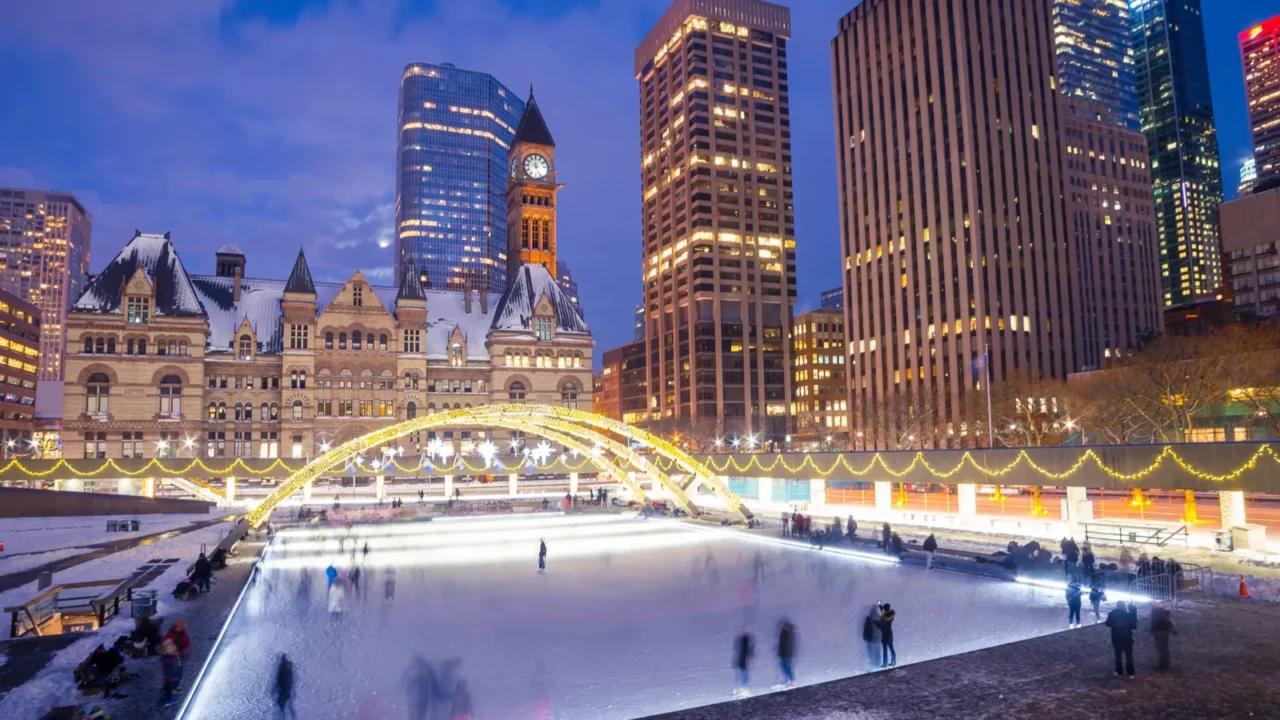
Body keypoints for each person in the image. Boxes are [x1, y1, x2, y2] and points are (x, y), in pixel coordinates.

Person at [1106, 601, 1136, 678]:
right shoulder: (1128, 615)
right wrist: (1133, 612)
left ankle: (1119, 672)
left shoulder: (1112, 613)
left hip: (1116, 637)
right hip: (1127, 637)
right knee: (1129, 655)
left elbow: (1107, 624)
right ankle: (1131, 672)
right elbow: (1134, 626)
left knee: (1118, 655)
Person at [1150, 601, 1178, 671]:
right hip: (1164, 633)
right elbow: (1169, 622)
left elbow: (1154, 624)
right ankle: (1164, 664)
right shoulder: (1164, 612)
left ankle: (1163, 665)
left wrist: (1152, 634)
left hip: (1158, 633)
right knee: (1164, 649)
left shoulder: (1155, 613)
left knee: (1161, 649)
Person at [160, 638, 182, 707]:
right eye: (169, 648)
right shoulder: (167, 658)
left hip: (171, 675)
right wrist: (177, 659)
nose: (172, 649)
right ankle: (169, 700)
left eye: (172, 646)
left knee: (169, 684)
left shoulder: (171, 656)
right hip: (170, 676)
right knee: (169, 687)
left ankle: (168, 690)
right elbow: (175, 664)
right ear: (165, 650)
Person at [732, 629, 754, 697]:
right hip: (743, 663)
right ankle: (743, 690)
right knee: (744, 677)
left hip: (741, 663)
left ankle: (742, 689)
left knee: (743, 676)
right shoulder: (745, 645)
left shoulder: (741, 644)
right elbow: (749, 653)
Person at [776, 619, 797, 688]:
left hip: (787, 654)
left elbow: (789, 645)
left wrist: (788, 654)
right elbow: (781, 644)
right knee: (784, 667)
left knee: (788, 667)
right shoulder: (783, 633)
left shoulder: (788, 634)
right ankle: (788, 680)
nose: (783, 627)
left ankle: (792, 681)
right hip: (784, 654)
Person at [275, 653, 296, 718]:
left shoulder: (282, 666)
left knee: (283, 700)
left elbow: (280, 676)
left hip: (283, 685)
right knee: (284, 699)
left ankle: (282, 713)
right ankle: (283, 713)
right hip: (284, 685)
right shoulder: (284, 667)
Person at [875, 603, 897, 668]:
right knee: (892, 649)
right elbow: (884, 613)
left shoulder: (883, 619)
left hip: (884, 636)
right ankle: (893, 662)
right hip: (890, 635)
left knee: (885, 651)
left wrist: (874, 622)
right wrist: (880, 606)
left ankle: (885, 664)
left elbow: (880, 626)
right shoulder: (890, 616)